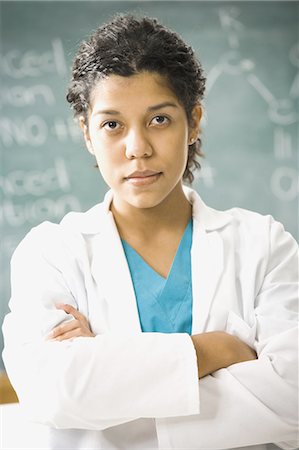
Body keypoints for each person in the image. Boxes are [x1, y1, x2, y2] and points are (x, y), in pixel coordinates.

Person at [2, 13, 298, 450]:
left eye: (159, 120)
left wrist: (110, 381)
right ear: (86, 133)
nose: (137, 147)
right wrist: (214, 351)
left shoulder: (264, 244)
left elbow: (291, 395)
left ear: (193, 122)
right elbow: (52, 392)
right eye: (111, 124)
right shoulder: (50, 252)